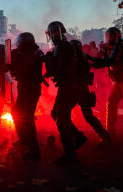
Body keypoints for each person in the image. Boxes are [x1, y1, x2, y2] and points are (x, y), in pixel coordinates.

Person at [44, 21, 87, 163]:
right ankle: (78, 137)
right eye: (51, 33)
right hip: (66, 86)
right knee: (56, 114)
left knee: (62, 121)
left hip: (69, 87)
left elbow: (57, 65)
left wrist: (46, 58)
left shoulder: (63, 46)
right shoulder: (60, 47)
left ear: (59, 32)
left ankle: (70, 154)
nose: (52, 35)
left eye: (54, 32)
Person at [70, 40, 111, 148]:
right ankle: (103, 136)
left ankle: (104, 136)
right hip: (77, 89)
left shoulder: (79, 59)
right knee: (65, 114)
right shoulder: (80, 57)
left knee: (87, 115)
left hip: (81, 89)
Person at [10, 32, 43, 160]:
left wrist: (14, 66)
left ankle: (34, 150)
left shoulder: (35, 54)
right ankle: (23, 139)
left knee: (27, 119)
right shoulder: (25, 54)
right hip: (24, 89)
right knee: (15, 113)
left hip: (31, 90)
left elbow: (24, 69)